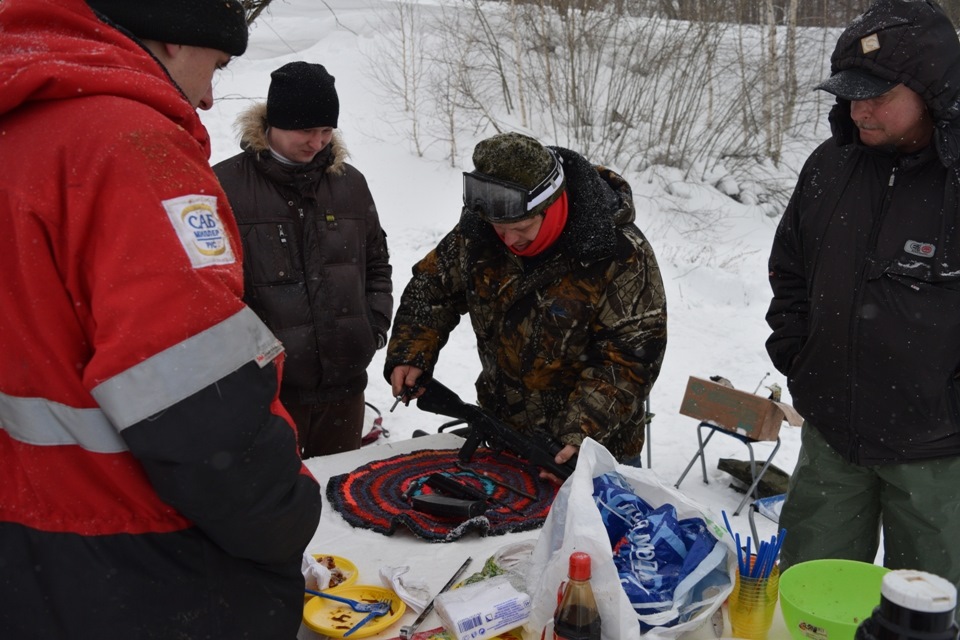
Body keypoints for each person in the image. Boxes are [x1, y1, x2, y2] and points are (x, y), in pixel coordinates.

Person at [0, 1, 322, 637]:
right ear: (175, 40)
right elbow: (193, 395)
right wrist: (284, 517)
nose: (207, 100)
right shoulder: (126, 142)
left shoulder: (21, 130)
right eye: (218, 65)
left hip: (30, 542)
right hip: (137, 549)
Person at [766, 0, 960, 595]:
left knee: (929, 611)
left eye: (877, 95)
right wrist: (799, 352)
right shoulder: (830, 166)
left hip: (935, 452)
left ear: (930, 89)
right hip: (833, 437)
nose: (859, 109)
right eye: (851, 93)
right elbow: (790, 269)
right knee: (806, 597)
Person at [385, 132, 666, 472]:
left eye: (522, 227)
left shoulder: (619, 254)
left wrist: (579, 432)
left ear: (552, 204)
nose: (509, 239)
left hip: (593, 454)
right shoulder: (481, 234)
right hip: (504, 436)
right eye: (499, 228)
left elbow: (629, 359)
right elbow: (432, 290)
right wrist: (411, 352)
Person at [214, 61, 393, 458]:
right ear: (272, 125)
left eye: (326, 130)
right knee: (276, 505)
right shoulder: (224, 186)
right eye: (306, 130)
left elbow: (377, 265)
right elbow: (210, 290)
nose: (317, 142)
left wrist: (373, 326)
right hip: (268, 394)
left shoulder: (350, 184)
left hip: (345, 391)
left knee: (342, 502)